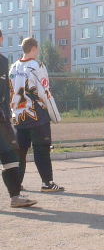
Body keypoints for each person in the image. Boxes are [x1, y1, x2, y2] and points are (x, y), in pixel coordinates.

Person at [9, 37, 64, 192]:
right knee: (41, 149)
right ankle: (47, 183)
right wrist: (52, 111)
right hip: (37, 115)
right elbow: (44, 90)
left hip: (18, 115)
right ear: (33, 48)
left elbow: (11, 90)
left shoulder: (13, 67)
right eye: (37, 48)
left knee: (20, 152)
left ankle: (16, 184)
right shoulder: (37, 65)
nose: (38, 50)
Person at [0, 30, 37, 207]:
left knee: (11, 154)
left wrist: (9, 113)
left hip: (3, 120)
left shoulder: (3, 61)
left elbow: (6, 92)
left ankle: (15, 197)